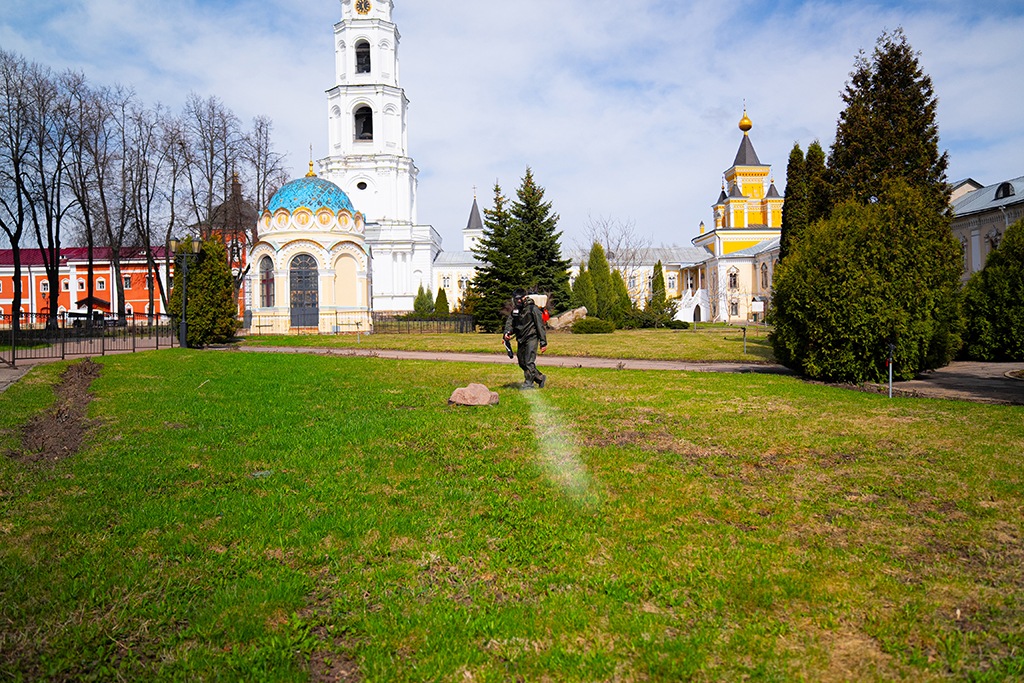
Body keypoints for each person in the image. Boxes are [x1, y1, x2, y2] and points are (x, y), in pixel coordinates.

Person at [503, 289, 547, 389]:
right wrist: (507, 332)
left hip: (532, 337)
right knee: (522, 362)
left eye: (518, 300)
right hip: (521, 338)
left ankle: (529, 383)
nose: (516, 302)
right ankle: (540, 378)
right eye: (515, 300)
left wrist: (543, 343)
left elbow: (540, 326)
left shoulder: (533, 309)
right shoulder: (515, 311)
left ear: (524, 298)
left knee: (528, 361)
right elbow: (510, 323)